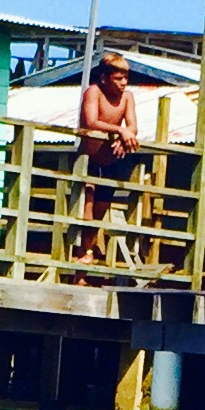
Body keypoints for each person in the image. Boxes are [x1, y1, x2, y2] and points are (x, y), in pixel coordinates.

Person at [76, 51, 141, 266]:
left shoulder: (127, 97)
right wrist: (119, 131)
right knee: (87, 206)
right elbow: (91, 121)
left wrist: (126, 135)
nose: (123, 83)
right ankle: (85, 253)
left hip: (110, 162)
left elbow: (133, 126)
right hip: (89, 160)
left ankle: (86, 258)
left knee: (100, 210)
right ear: (105, 77)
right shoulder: (93, 92)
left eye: (126, 78)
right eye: (118, 78)